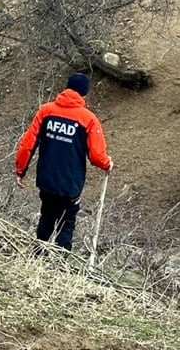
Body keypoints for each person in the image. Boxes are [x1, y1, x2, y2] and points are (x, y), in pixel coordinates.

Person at [14, 72, 113, 251]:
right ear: (84, 94)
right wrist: (108, 164)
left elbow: (27, 144)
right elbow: (97, 157)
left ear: (66, 88)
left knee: (47, 215)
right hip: (70, 184)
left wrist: (21, 171)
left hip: (46, 180)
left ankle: (38, 254)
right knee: (66, 223)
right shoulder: (89, 119)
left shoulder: (46, 111)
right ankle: (60, 265)